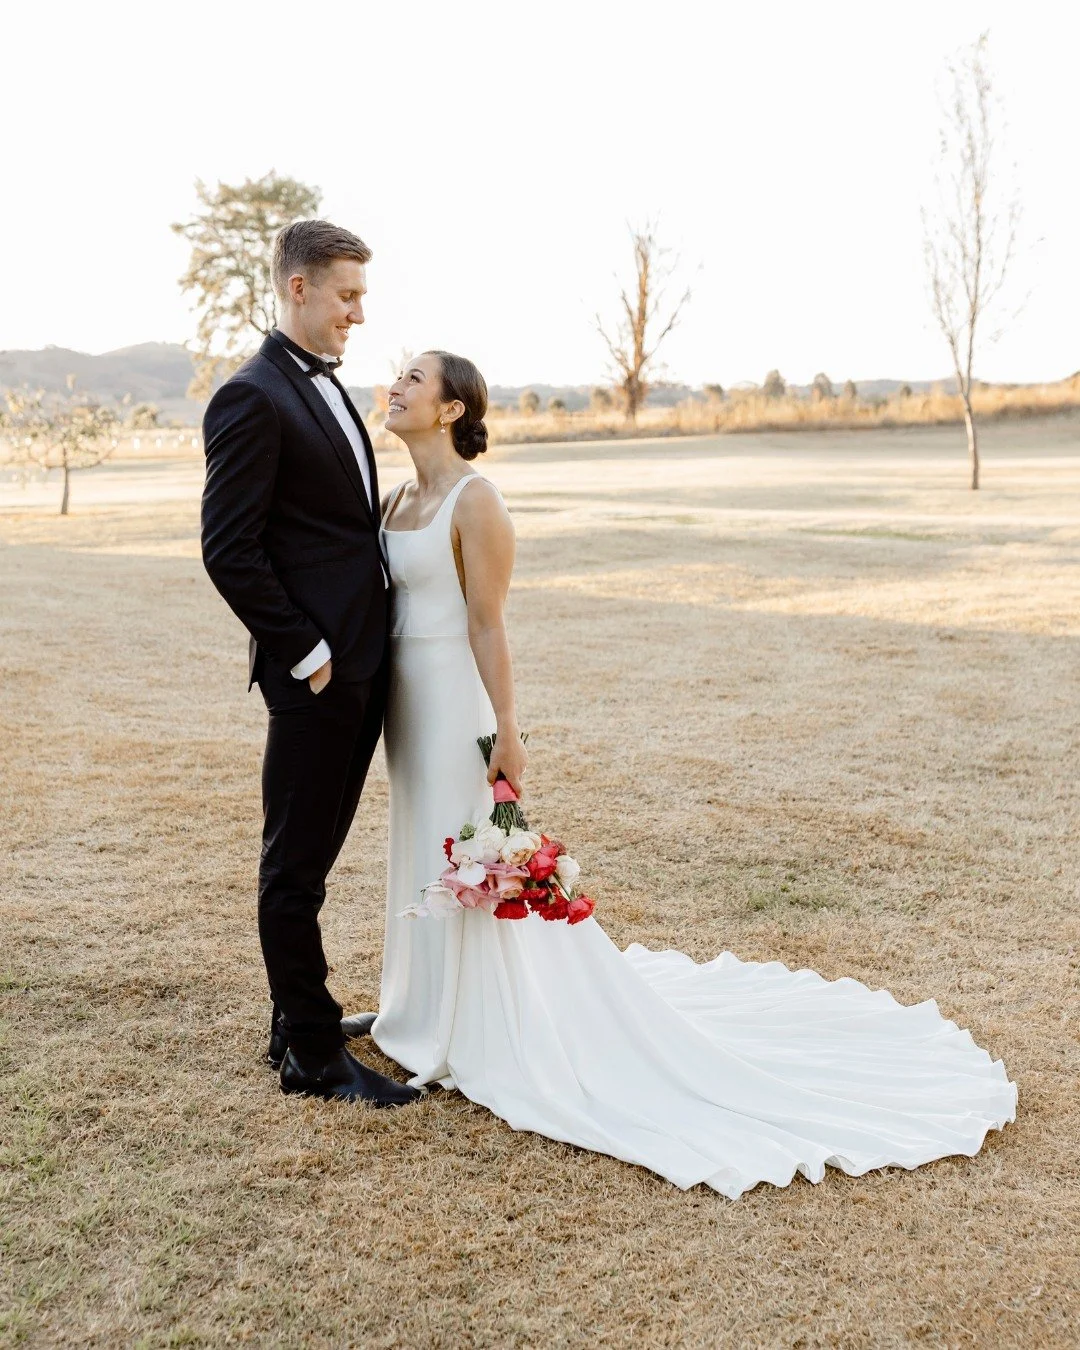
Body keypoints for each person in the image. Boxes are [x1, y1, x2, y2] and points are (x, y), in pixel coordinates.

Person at [370, 348, 1017, 1198]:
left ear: (454, 409)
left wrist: (509, 734)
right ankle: (420, 1009)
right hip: (404, 709)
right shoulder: (395, 497)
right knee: (420, 844)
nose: (398, 385)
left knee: (469, 852)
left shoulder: (476, 500)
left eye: (417, 378)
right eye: (400, 375)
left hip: (457, 703)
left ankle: (480, 1024)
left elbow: (489, 626)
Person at [200, 219, 419, 1107]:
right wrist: (312, 654)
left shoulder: (321, 389)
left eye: (362, 296)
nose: (359, 314)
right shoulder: (251, 395)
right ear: (298, 288)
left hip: (360, 666)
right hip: (318, 674)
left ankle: (297, 1018)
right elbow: (228, 548)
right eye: (347, 295)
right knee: (293, 865)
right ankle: (314, 1058)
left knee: (314, 860)